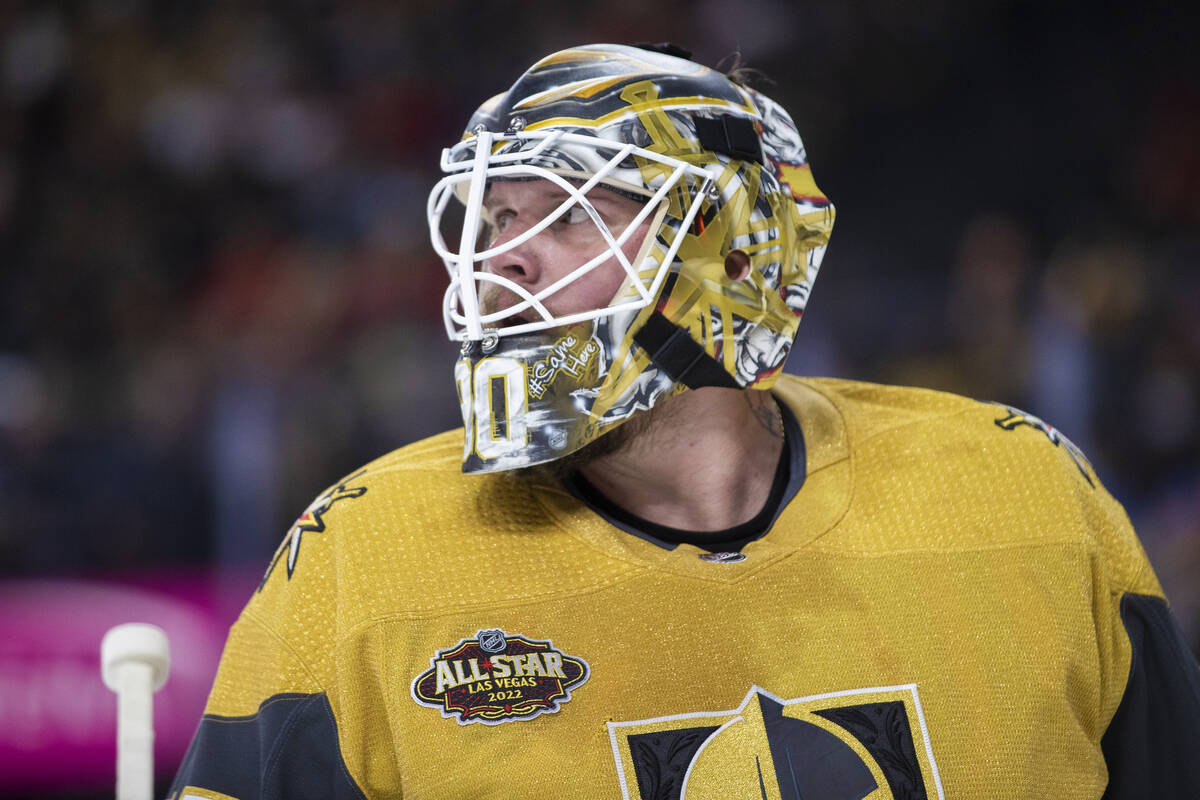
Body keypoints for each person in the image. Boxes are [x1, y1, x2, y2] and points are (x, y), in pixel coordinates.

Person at [169, 43, 1200, 799]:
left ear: (738, 257)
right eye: (493, 219)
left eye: (570, 212)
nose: (501, 261)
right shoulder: (364, 553)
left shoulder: (1020, 495)